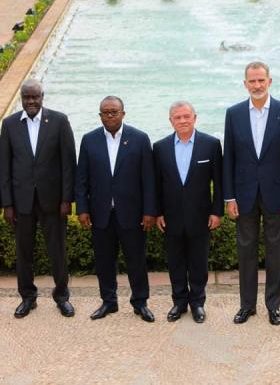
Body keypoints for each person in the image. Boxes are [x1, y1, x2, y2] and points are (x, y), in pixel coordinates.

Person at [223, 61, 280, 325]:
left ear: (269, 81)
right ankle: (247, 306)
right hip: (244, 194)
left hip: (276, 194)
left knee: (276, 251)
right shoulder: (233, 114)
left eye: (261, 80)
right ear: (245, 84)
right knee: (245, 251)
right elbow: (229, 157)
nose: (257, 85)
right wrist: (229, 197)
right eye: (252, 81)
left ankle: (273, 306)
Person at [75, 96, 156, 322]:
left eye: (114, 112)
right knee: (104, 261)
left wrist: (149, 211)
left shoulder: (140, 139)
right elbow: (81, 178)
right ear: (100, 115)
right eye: (105, 112)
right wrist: (82, 209)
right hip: (101, 214)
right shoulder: (89, 140)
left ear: (123, 114)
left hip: (132, 214)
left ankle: (140, 303)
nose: (110, 115)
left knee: (136, 261)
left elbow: (149, 179)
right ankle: (108, 302)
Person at [0, 79, 76, 318]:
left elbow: (68, 163)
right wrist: (7, 203)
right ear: (21, 98)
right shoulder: (9, 124)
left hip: (52, 201)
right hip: (21, 202)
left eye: (35, 97)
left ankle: (62, 297)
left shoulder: (59, 121)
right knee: (23, 253)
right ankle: (27, 297)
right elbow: (4, 167)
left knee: (57, 251)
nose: (31, 101)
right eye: (27, 97)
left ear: (43, 96)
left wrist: (66, 199)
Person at [153, 101, 223, 323]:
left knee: (198, 262)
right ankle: (179, 302)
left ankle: (198, 303)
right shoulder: (160, 147)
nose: (182, 120)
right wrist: (158, 212)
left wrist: (217, 212)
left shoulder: (211, 145)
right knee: (175, 261)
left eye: (186, 116)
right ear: (170, 121)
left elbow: (219, 183)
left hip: (201, 216)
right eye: (177, 117)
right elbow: (156, 184)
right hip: (170, 216)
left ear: (195, 118)